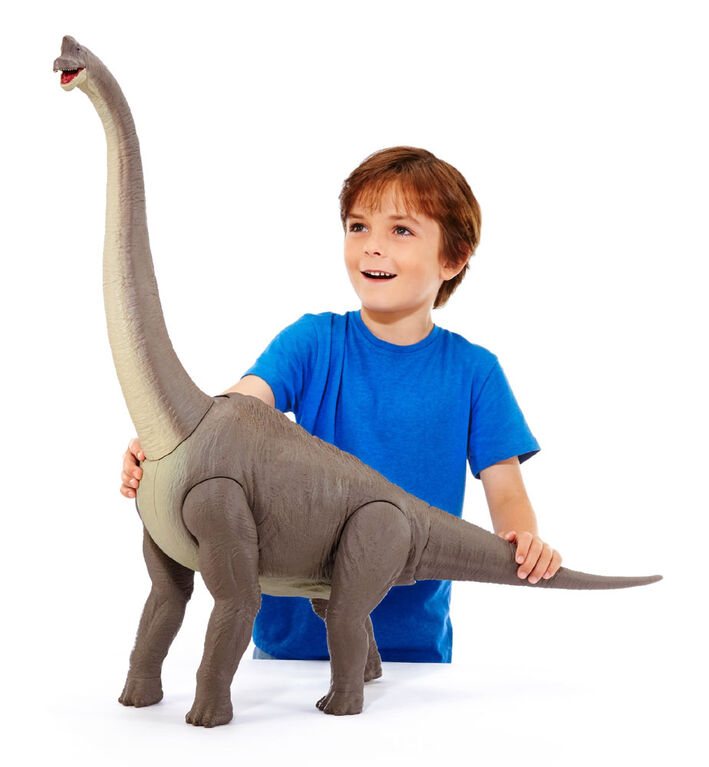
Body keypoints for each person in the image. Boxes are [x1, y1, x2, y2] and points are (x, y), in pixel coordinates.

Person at [119, 146, 562, 663]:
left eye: (401, 230)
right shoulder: (312, 341)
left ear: (453, 257)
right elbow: (234, 408)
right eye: (358, 227)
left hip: (412, 650)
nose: (372, 247)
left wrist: (523, 541)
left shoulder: (476, 371)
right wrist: (174, 445)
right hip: (287, 648)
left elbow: (506, 490)